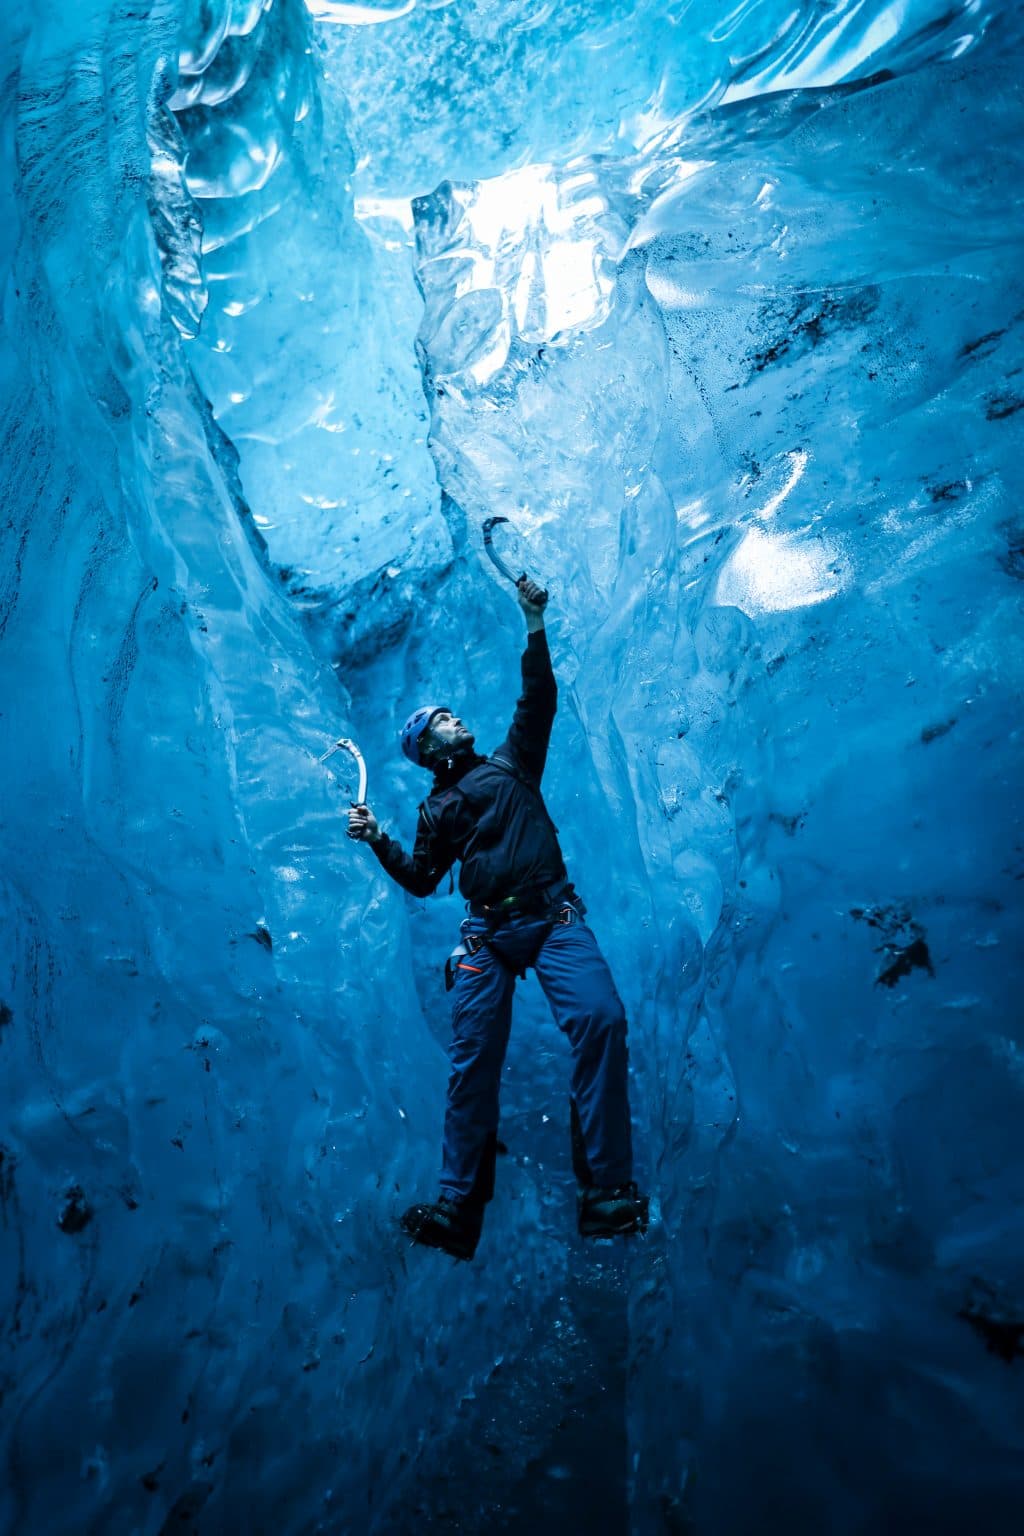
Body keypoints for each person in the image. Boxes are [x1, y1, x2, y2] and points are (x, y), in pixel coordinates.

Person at [348, 575, 648, 1261]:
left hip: (552, 915)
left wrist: (533, 621)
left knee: (601, 1019)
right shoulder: (435, 811)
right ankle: (458, 1208)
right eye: (442, 719)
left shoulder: (512, 765)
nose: (455, 718)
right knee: (472, 1062)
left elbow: (537, 701)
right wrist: (378, 842)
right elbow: (424, 880)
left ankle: (605, 1189)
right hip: (486, 934)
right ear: (428, 748)